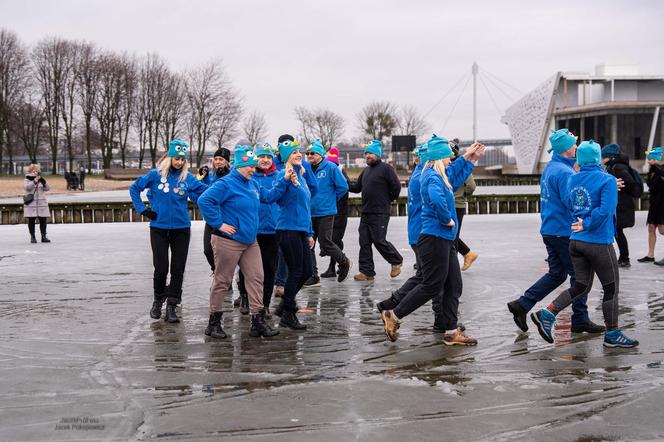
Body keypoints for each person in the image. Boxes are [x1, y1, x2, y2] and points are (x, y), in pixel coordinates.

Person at [531, 140, 639, 348]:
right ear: (598, 158)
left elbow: (571, 204)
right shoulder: (607, 180)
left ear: (579, 159)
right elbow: (605, 211)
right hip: (599, 243)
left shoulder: (573, 179)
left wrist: (582, 222)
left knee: (580, 286)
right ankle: (612, 333)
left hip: (576, 242)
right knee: (611, 289)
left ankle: (547, 313)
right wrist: (589, 223)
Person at [381, 135, 484, 345]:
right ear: (438, 158)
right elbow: (436, 198)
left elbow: (453, 176)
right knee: (431, 285)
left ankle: (451, 330)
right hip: (434, 237)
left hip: (444, 239)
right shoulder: (429, 176)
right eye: (448, 157)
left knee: (453, 285)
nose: (450, 160)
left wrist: (469, 158)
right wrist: (447, 219)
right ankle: (394, 315)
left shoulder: (438, 174)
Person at [507, 129, 604, 335]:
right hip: (563, 230)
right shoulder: (565, 173)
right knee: (581, 277)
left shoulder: (552, 167)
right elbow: (573, 203)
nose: (576, 146)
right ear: (566, 148)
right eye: (573, 143)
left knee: (557, 274)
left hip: (550, 229)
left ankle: (522, 304)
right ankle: (580, 318)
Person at [198, 145, 291, 339]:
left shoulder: (253, 184)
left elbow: (269, 197)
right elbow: (204, 201)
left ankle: (257, 322)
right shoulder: (226, 183)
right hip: (228, 240)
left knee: (257, 278)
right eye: (250, 166)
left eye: (254, 166)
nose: (253, 169)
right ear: (240, 165)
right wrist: (219, 223)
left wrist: (285, 180)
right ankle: (213, 323)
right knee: (222, 280)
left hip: (250, 241)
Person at [129, 139, 207, 323]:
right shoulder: (155, 175)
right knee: (161, 268)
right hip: (159, 228)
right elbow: (135, 188)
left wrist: (210, 180)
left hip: (181, 229)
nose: (179, 162)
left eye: (183, 159)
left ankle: (172, 305)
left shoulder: (187, 178)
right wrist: (143, 209)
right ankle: (158, 300)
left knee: (178, 269)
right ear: (170, 157)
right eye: (177, 158)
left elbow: (206, 191)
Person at [272, 138, 316, 330]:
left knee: (306, 271)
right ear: (285, 157)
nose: (298, 154)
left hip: (301, 230)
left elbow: (305, 208)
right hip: (287, 229)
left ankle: (284, 306)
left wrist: (309, 232)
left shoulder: (303, 176)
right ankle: (288, 313)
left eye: (299, 151)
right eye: (293, 153)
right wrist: (285, 180)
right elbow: (273, 198)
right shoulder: (283, 175)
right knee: (296, 270)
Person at [348, 140, 403, 281]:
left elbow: (396, 187)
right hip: (366, 212)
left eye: (370, 153)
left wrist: (388, 200)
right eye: (366, 153)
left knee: (379, 240)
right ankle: (367, 272)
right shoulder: (366, 171)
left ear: (378, 154)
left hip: (380, 212)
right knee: (364, 242)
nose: (367, 156)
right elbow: (356, 188)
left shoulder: (386, 168)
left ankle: (396, 260)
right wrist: (342, 182)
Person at [237, 143, 281, 317]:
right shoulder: (249, 176)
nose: (265, 160)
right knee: (246, 269)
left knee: (269, 270)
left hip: (272, 230)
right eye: (262, 156)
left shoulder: (279, 176)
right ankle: (245, 298)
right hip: (252, 230)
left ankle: (265, 303)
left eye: (268, 157)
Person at [304, 139, 351, 286]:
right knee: (309, 243)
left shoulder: (330, 167)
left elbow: (343, 187)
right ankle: (313, 275)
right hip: (310, 212)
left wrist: (331, 199)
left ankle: (344, 262)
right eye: (308, 153)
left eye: (313, 153)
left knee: (325, 243)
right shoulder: (306, 168)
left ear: (320, 154)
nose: (310, 155)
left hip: (326, 212)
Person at [602, 143, 641, 267]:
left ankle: (624, 258)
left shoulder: (618, 167)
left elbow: (629, 182)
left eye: (604, 156)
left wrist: (620, 190)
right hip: (620, 204)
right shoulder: (614, 166)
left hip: (622, 205)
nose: (602, 159)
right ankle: (622, 257)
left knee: (618, 231)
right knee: (617, 231)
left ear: (611, 157)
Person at [199, 147, 232, 273]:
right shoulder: (214, 175)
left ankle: (225, 278)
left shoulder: (232, 175)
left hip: (227, 218)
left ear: (227, 162)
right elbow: (208, 191)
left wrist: (226, 175)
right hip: (212, 218)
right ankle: (216, 271)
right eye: (216, 159)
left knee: (225, 251)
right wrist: (204, 177)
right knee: (208, 250)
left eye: (221, 159)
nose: (218, 161)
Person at [320, 147, 351, 278]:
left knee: (335, 239)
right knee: (332, 240)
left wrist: (333, 199)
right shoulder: (332, 170)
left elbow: (344, 189)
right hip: (330, 211)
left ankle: (335, 266)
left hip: (339, 213)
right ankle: (335, 265)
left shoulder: (338, 172)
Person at [450, 143, 479, 271]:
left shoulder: (458, 167)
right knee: (452, 234)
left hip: (457, 205)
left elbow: (471, 186)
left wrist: (462, 195)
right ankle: (467, 254)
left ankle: (453, 265)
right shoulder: (453, 166)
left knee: (452, 236)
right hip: (455, 203)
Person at [638, 147, 664, 265]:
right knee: (651, 228)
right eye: (648, 159)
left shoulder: (661, 170)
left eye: (650, 159)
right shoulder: (651, 171)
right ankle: (650, 255)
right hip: (654, 204)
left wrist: (658, 167)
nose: (648, 161)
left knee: (662, 230)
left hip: (662, 204)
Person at [23, 164, 51, 243]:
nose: (35, 172)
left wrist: (43, 181)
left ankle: (44, 236)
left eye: (36, 170)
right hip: (31, 203)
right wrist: (34, 181)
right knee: (31, 220)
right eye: (33, 170)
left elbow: (48, 188)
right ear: (30, 171)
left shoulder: (41, 179)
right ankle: (33, 237)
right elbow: (27, 188)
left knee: (43, 220)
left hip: (41, 203)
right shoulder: (27, 179)